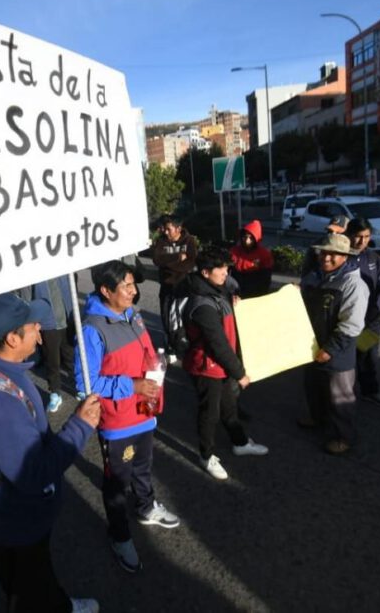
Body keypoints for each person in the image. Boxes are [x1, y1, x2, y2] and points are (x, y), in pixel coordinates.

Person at [0, 294, 101, 613]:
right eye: (33, 324)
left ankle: (59, 603)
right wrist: (80, 426)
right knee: (25, 588)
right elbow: (33, 473)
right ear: (11, 338)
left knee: (36, 576)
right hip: (12, 521)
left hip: (14, 516)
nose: (40, 329)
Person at [75, 260, 180, 574]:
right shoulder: (92, 328)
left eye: (134, 284)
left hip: (144, 412)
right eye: (126, 286)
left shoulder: (132, 315)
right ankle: (119, 535)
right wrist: (132, 385)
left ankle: (146, 506)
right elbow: (86, 384)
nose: (134, 292)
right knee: (117, 482)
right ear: (106, 290)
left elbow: (144, 355)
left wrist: (157, 366)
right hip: (118, 421)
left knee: (144, 466)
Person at [181, 247, 267, 480]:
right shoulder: (202, 304)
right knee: (210, 413)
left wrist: (233, 301)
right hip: (206, 367)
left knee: (229, 407)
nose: (226, 272)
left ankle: (240, 443)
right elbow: (217, 344)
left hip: (221, 365)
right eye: (222, 268)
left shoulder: (217, 291)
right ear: (206, 272)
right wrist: (240, 373)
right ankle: (206, 456)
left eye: (227, 268)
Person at [298, 233, 368, 455]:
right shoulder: (313, 277)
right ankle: (318, 419)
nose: (326, 258)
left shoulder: (353, 284)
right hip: (310, 346)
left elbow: (352, 325)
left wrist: (330, 349)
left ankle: (343, 436)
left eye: (334, 254)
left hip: (336, 353)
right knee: (314, 387)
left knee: (340, 396)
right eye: (323, 252)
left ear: (345, 256)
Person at [346, 218, 380, 407]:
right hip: (346, 318)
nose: (362, 241)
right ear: (349, 235)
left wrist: (375, 310)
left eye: (366, 237)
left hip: (370, 319)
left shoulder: (373, 258)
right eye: (358, 236)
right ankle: (345, 393)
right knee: (346, 357)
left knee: (368, 356)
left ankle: (370, 390)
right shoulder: (340, 257)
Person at [25, 276, 75, 413]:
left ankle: (79, 385)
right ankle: (55, 392)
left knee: (71, 355)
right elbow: (26, 298)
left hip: (68, 317)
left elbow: (72, 283)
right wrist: (32, 323)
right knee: (52, 361)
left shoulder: (61, 262)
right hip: (47, 323)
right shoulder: (30, 270)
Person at [151, 214, 198, 351]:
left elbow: (191, 262)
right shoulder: (161, 241)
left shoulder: (189, 241)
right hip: (166, 285)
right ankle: (170, 341)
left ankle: (181, 342)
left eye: (168, 229)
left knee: (180, 316)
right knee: (166, 316)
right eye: (164, 229)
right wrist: (177, 258)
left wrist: (169, 264)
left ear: (178, 228)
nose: (165, 232)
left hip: (183, 285)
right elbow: (157, 259)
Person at [229, 219, 273, 299]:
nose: (247, 241)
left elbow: (266, 279)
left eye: (251, 238)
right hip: (236, 290)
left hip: (255, 292)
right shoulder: (234, 251)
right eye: (245, 237)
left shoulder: (264, 254)